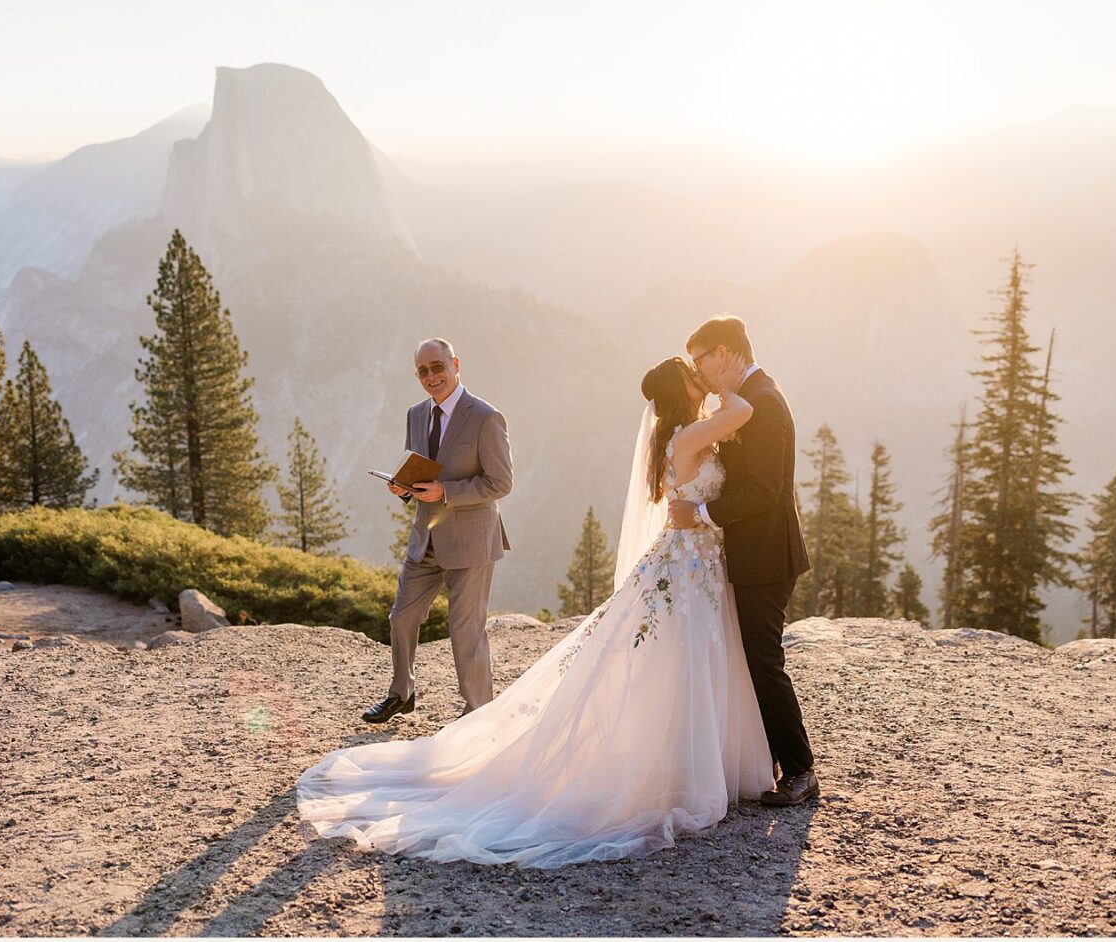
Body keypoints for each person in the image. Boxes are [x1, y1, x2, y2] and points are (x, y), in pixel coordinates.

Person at [297, 353, 775, 868]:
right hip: (687, 566)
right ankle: (684, 766)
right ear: (683, 390)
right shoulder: (688, 436)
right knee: (681, 660)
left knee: (683, 662)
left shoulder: (678, 434)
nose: (700, 379)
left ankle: (691, 761)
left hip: (692, 564)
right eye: (693, 375)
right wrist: (724, 380)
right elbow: (746, 410)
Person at [669, 315, 818, 806]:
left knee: (763, 661)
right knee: (750, 658)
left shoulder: (766, 404)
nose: (701, 371)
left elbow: (764, 489)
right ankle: (763, 761)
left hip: (767, 556)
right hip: (746, 553)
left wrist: (703, 512)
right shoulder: (747, 399)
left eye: (702, 360)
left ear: (726, 353)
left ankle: (800, 770)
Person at [363, 337, 512, 724]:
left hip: (472, 542)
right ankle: (403, 693)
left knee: (466, 633)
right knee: (401, 617)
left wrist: (447, 491)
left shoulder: (485, 417)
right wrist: (402, 487)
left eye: (438, 367)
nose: (431, 376)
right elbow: (418, 470)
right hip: (425, 539)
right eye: (423, 371)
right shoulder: (415, 414)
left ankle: (478, 713)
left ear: (456, 364)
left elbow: (500, 483)